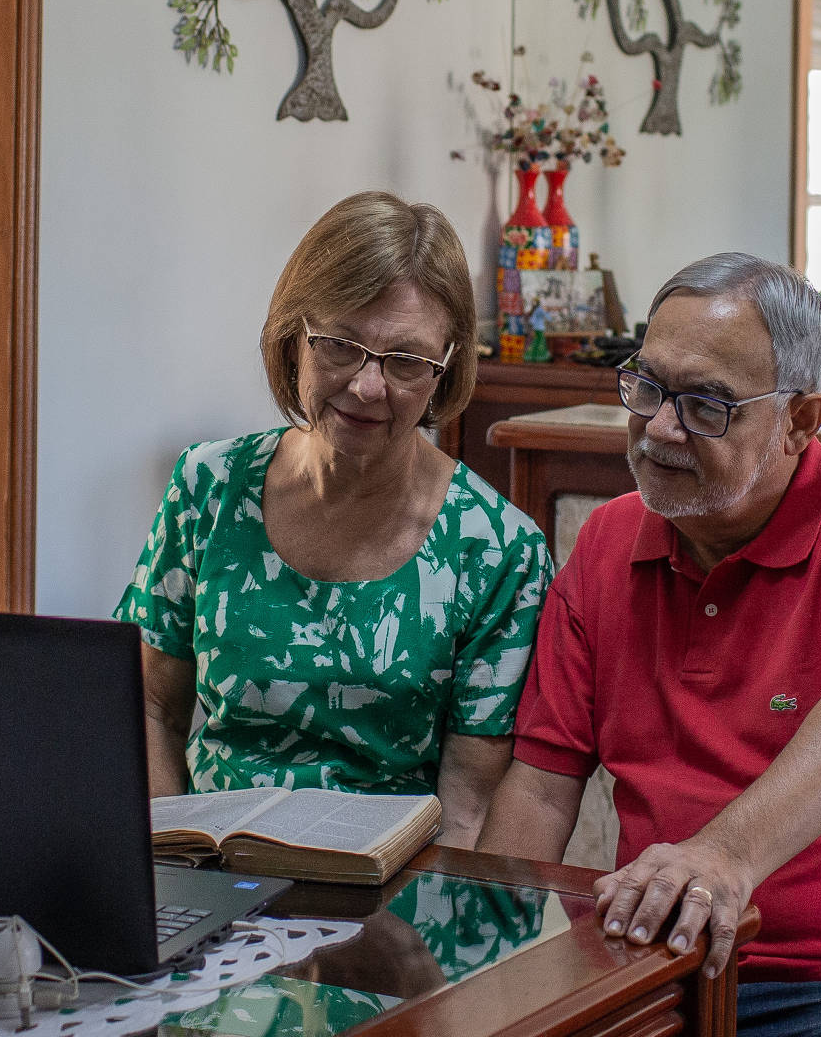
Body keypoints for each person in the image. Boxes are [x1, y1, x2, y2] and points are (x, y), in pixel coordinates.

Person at [478, 253, 821, 1037]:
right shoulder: (606, 543)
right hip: (665, 966)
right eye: (648, 387)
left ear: (801, 421)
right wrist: (490, 961)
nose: (660, 426)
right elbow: (539, 788)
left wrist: (724, 856)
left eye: (706, 404)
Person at [116, 191, 553, 846]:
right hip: (210, 876)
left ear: (446, 368)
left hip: (393, 906)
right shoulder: (206, 487)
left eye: (406, 361)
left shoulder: (497, 553)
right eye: (341, 346)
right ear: (295, 337)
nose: (368, 386)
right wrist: (166, 869)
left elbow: (468, 810)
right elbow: (147, 707)